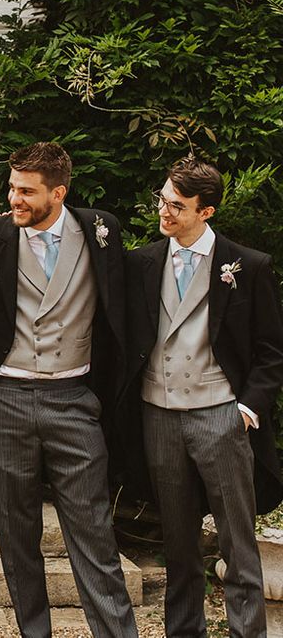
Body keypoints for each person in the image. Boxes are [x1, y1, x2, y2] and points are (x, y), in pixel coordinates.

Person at [0, 142, 137, 638]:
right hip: (6, 399)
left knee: (93, 534)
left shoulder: (101, 230)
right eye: (13, 186)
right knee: (17, 537)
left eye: (26, 191)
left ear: (59, 192)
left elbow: (117, 312)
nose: (14, 198)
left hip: (75, 398)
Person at [123, 156, 283, 637]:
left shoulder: (248, 266)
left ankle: (247, 633)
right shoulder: (141, 262)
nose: (164, 211)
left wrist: (248, 410)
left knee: (238, 544)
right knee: (178, 544)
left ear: (206, 211)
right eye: (162, 199)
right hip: (160, 416)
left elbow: (271, 350)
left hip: (221, 416)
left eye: (176, 205)